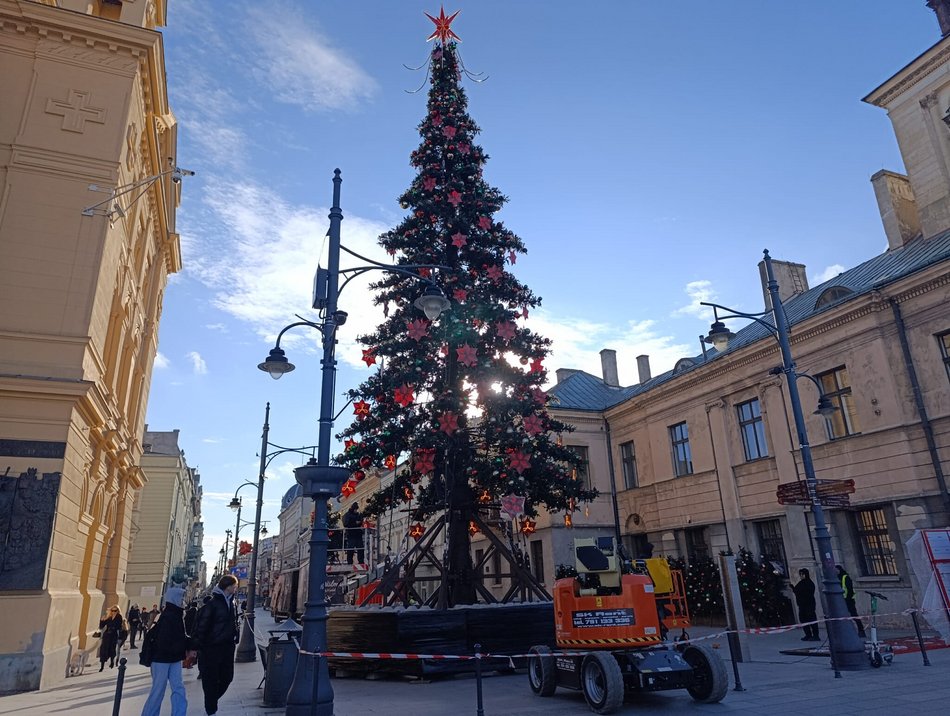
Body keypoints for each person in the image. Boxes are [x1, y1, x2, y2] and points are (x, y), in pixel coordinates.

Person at [141, 587, 196, 716]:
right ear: (174, 598)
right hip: (163, 659)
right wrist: (188, 646)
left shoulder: (174, 613)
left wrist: (188, 646)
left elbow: (179, 637)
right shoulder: (171, 615)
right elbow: (172, 639)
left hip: (171, 658)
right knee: (162, 689)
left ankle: (178, 713)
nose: (183, 600)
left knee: (172, 688)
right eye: (181, 597)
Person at [193, 575, 239, 715]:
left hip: (227, 646)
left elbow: (231, 622)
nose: (236, 588)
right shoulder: (213, 604)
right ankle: (211, 707)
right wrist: (197, 647)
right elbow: (202, 627)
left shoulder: (232, 602)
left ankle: (211, 701)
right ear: (228, 587)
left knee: (227, 678)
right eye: (235, 586)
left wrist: (235, 633)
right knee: (210, 678)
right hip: (211, 647)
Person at [836, 565, 866, 638]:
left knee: (854, 615)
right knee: (842, 617)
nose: (835, 572)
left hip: (848, 600)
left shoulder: (845, 577)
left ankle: (861, 630)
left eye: (836, 570)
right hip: (841, 600)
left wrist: (848, 598)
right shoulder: (836, 578)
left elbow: (849, 589)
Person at [793, 568, 819, 641]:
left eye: (802, 574)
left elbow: (808, 593)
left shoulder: (809, 583)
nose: (801, 576)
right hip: (802, 605)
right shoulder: (801, 583)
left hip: (809, 605)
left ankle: (816, 635)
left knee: (812, 620)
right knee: (803, 620)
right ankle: (808, 635)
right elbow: (796, 590)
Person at [97, 605, 123, 671]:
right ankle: (102, 666)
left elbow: (119, 626)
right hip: (107, 635)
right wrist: (102, 620)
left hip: (113, 635)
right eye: (112, 610)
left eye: (115, 610)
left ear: (118, 611)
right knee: (103, 650)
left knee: (112, 649)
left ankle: (112, 662)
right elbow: (101, 626)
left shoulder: (119, 617)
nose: (113, 612)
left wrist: (114, 628)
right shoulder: (109, 617)